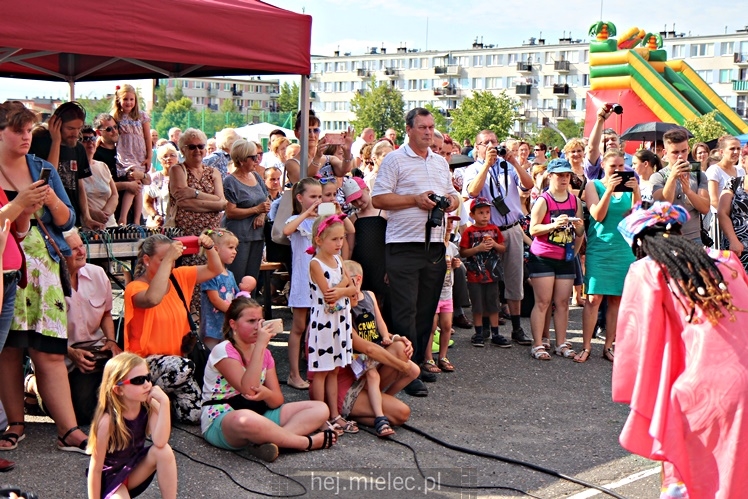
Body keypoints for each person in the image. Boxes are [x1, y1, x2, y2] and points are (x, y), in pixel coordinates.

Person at [613, 201, 748, 499]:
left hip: (699, 392)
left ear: (639, 243)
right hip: (744, 379)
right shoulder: (727, 260)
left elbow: (635, 345)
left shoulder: (647, 270)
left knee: (689, 479)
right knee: (737, 478)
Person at [0, 101, 88, 453]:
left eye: (28, 130)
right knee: (7, 351)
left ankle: (68, 430)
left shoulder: (40, 167)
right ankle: (14, 423)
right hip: (6, 266)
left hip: (43, 266)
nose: (26, 137)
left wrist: (50, 199)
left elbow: (67, 221)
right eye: (18, 131)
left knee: (49, 350)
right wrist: (20, 202)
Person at [371, 107, 460, 397]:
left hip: (434, 242)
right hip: (402, 243)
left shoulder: (438, 162)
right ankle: (403, 369)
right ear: (408, 129)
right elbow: (379, 198)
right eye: (422, 127)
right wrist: (414, 200)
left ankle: (418, 363)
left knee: (426, 307)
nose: (428, 132)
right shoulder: (394, 159)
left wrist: (448, 201)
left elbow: (454, 196)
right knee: (404, 308)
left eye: (431, 127)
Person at [202, 297, 335, 459]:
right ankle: (305, 443)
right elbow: (248, 388)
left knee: (320, 408)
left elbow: (277, 400)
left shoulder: (264, 353)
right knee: (244, 419)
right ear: (233, 324)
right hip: (223, 418)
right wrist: (260, 345)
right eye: (251, 321)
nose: (258, 327)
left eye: (260, 321)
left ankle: (272, 443)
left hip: (258, 413)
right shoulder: (223, 350)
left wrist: (266, 394)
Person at [124, 233, 222, 423]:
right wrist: (169, 258)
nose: (170, 265)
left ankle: (163, 402)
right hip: (145, 363)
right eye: (162, 260)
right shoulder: (135, 287)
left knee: (195, 415)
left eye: (172, 259)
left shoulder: (178, 277)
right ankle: (144, 400)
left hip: (178, 362)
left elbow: (215, 269)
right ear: (146, 260)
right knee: (182, 368)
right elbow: (153, 298)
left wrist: (209, 248)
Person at [463, 130, 534, 346]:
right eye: (486, 143)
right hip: (486, 231)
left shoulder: (508, 167)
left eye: (494, 141)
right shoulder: (472, 169)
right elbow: (473, 192)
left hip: (511, 228)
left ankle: (516, 327)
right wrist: (486, 165)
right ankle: (486, 327)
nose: (492, 146)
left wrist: (514, 160)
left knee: (514, 279)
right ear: (477, 147)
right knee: (487, 279)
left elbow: (528, 185)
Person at [575, 150, 640, 363]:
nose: (618, 171)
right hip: (600, 249)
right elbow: (597, 215)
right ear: (603, 165)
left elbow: (636, 218)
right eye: (613, 167)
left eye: (622, 166)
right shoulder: (594, 185)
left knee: (617, 299)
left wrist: (636, 192)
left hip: (624, 250)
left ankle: (609, 346)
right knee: (593, 299)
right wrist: (609, 190)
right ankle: (586, 347)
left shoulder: (630, 187)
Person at [87, 353, 177, 499]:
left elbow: (160, 442)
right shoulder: (107, 421)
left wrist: (164, 403)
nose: (147, 384)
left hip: (133, 470)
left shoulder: (149, 406)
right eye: (139, 380)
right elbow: (95, 470)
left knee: (164, 451)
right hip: (111, 480)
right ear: (118, 389)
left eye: (148, 377)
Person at [527, 159, 584, 360]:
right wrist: (553, 225)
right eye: (559, 175)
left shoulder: (574, 201)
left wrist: (577, 230)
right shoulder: (544, 200)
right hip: (543, 256)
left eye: (567, 175)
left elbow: (580, 231)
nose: (564, 178)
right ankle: (538, 344)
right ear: (550, 176)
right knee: (543, 302)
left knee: (562, 302)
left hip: (565, 256)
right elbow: (533, 229)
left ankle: (561, 343)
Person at [63, 229, 121, 425]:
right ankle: (33, 384)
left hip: (95, 352)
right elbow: (42, 334)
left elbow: (106, 313)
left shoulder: (97, 273)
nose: (81, 252)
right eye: (74, 249)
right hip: (61, 356)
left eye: (82, 246)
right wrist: (71, 352)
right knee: (82, 415)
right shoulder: (50, 281)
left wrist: (111, 341)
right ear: (59, 253)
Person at [307, 215, 357, 434]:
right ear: (319, 240)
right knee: (322, 370)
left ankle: (333, 413)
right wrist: (344, 290)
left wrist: (342, 290)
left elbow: (350, 284)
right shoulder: (316, 263)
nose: (339, 243)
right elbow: (330, 295)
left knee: (335, 369)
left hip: (340, 320)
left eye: (342, 238)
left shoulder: (337, 260)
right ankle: (319, 417)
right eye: (334, 239)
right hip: (325, 323)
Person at [169, 128, 227, 314]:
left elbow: (222, 203)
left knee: (211, 278)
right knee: (189, 279)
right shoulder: (178, 169)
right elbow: (183, 203)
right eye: (191, 147)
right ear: (183, 149)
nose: (197, 150)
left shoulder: (213, 172)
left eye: (201, 146)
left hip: (211, 235)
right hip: (188, 235)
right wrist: (213, 202)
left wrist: (195, 194)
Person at [343, 260, 403, 436]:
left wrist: (388, 337)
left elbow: (380, 321)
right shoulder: (343, 305)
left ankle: (380, 402)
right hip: (359, 355)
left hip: (374, 345)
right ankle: (379, 416)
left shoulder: (369, 295)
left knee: (411, 368)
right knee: (372, 372)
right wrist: (402, 366)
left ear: (357, 279)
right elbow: (365, 348)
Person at [28, 101, 97, 229]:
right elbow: (49, 177)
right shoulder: (39, 141)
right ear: (56, 124)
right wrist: (56, 142)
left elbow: (79, 185)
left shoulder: (79, 149)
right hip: (47, 219)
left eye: (79, 128)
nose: (76, 134)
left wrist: (87, 217)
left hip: (71, 218)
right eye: (70, 128)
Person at [282, 177, 323, 389]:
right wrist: (307, 213)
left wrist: (332, 212)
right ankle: (293, 373)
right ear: (300, 198)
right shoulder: (296, 219)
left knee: (317, 326)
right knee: (298, 326)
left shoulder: (323, 218)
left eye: (320, 196)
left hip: (322, 281)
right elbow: (286, 231)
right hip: (302, 280)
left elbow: (346, 231)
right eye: (313, 196)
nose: (317, 200)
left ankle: (315, 370)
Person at [460, 197, 507, 347]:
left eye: (487, 212)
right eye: (481, 212)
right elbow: (463, 252)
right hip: (475, 275)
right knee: (478, 305)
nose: (485, 216)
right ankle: (479, 332)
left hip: (492, 275)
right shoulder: (469, 231)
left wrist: (494, 244)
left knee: (493, 304)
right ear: (472, 215)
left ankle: (496, 333)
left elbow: (503, 248)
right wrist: (478, 249)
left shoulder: (494, 230)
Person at [650, 128, 710, 244]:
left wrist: (688, 191)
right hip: (667, 239)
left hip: (694, 239)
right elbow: (663, 207)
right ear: (665, 153)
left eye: (683, 151)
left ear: (688, 149)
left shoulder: (699, 175)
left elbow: (705, 208)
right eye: (675, 152)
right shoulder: (658, 177)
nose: (680, 156)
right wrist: (672, 177)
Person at [223, 139, 270, 283]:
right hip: (239, 236)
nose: (257, 160)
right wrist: (255, 209)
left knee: (251, 279)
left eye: (259, 156)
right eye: (254, 157)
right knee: (237, 277)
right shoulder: (230, 181)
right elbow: (231, 212)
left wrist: (262, 214)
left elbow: (266, 199)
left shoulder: (255, 176)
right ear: (242, 160)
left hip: (257, 235)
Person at [111, 84, 152, 226]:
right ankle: (125, 218)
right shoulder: (116, 117)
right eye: (125, 99)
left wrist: (149, 157)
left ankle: (133, 219)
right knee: (133, 183)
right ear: (119, 101)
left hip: (139, 154)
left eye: (131, 99)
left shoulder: (141, 117)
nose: (129, 102)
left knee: (137, 185)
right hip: (126, 153)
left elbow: (147, 137)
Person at [425, 216, 460, 372]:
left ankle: (443, 356)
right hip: (433, 293)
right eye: (447, 222)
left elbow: (456, 262)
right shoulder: (432, 246)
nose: (449, 226)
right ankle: (428, 358)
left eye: (452, 223)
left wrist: (456, 264)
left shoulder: (452, 247)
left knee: (447, 326)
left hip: (447, 292)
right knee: (431, 326)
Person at [284, 110, 354, 184]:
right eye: (307, 131)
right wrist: (317, 157)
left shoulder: (329, 159)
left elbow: (344, 170)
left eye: (316, 130)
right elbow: (304, 183)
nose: (312, 135)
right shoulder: (292, 163)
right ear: (296, 133)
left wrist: (347, 152)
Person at [199, 228, 240, 350]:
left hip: (226, 324)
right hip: (213, 326)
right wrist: (235, 312)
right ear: (216, 249)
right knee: (212, 356)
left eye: (235, 248)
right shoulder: (209, 274)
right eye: (231, 248)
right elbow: (215, 300)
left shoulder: (230, 274)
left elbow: (237, 295)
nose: (235, 252)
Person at [80, 126, 118, 228]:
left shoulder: (103, 166)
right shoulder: (73, 169)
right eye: (85, 139)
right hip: (88, 228)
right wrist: (92, 213)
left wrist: (105, 213)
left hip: (110, 226)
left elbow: (114, 195)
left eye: (92, 138)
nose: (90, 142)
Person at [706, 135, 745, 213]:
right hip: (720, 217)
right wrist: (729, 215)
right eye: (732, 149)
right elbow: (713, 200)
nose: (736, 152)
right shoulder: (714, 170)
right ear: (721, 152)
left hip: (740, 220)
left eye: (738, 148)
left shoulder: (740, 170)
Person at [718, 175, 748, 272]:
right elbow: (722, 213)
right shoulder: (734, 182)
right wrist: (733, 240)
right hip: (738, 248)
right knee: (738, 284)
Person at [144, 143, 177, 229]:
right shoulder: (154, 178)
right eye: (165, 156)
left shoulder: (184, 176)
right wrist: (154, 215)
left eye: (172, 155)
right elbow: (147, 202)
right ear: (160, 160)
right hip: (160, 223)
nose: (169, 158)